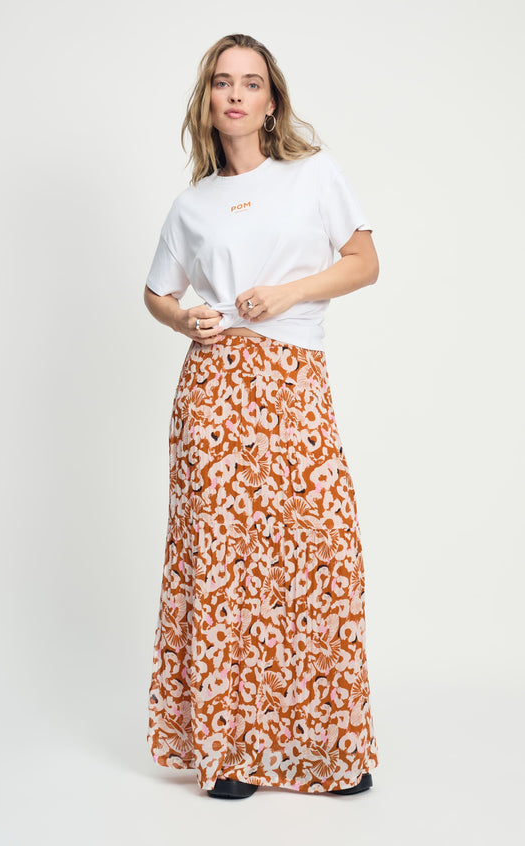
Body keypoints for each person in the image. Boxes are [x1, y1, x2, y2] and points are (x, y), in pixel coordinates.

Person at [143, 33, 380, 800]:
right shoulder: (193, 204)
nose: (236, 94)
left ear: (272, 100)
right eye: (223, 82)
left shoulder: (313, 175)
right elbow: (157, 292)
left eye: (251, 82)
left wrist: (288, 293)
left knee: (319, 553)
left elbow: (364, 262)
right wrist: (184, 319)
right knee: (224, 564)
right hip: (213, 391)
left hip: (293, 381)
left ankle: (326, 749)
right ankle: (232, 753)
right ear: (208, 100)